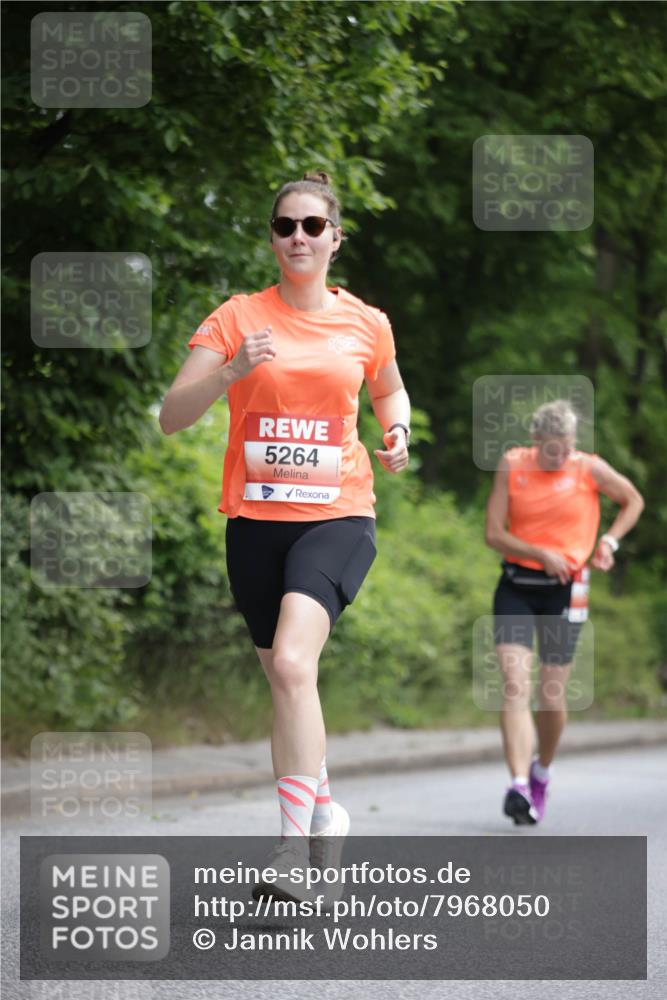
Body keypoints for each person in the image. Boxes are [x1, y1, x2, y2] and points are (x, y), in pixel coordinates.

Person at [159, 171, 410, 897]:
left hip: (339, 516)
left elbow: (389, 387)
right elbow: (172, 416)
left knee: (296, 666)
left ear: (335, 238)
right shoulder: (237, 317)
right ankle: (325, 810)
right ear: (273, 238)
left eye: (311, 225)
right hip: (254, 523)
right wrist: (230, 372)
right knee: (283, 679)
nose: (297, 237)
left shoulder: (366, 322)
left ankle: (293, 853)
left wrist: (397, 431)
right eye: (284, 225)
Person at [484, 399, 644, 825]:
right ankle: (519, 784)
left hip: (566, 591)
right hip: (517, 586)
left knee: (551, 695)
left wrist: (609, 541)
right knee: (515, 685)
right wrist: (539, 553)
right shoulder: (512, 465)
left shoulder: (588, 468)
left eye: (568, 448)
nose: (560, 457)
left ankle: (542, 771)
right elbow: (493, 534)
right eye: (552, 449)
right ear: (535, 440)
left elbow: (633, 500)